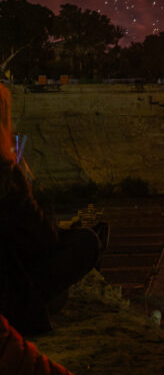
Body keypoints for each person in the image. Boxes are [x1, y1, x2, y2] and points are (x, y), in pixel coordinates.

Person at [0, 83, 105, 335]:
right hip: (9, 291)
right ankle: (31, 305)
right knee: (87, 241)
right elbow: (41, 238)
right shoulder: (5, 176)